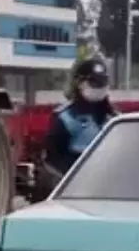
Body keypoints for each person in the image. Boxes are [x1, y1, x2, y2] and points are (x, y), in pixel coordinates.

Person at [41, 57, 116, 191]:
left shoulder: (115, 119)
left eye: (102, 82)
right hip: (74, 188)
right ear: (79, 83)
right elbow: (53, 162)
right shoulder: (65, 118)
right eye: (94, 82)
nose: (99, 87)